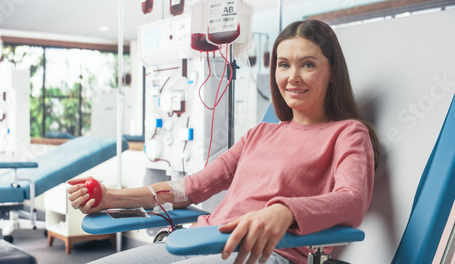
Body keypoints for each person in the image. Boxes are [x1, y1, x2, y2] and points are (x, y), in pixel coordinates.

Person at [68, 19, 380, 264]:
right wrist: (111, 197)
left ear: (333, 73)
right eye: (284, 65)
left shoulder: (348, 133)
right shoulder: (260, 133)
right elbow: (188, 189)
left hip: (260, 253)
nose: (292, 77)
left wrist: (285, 211)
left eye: (308, 64)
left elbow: (352, 200)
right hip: (200, 240)